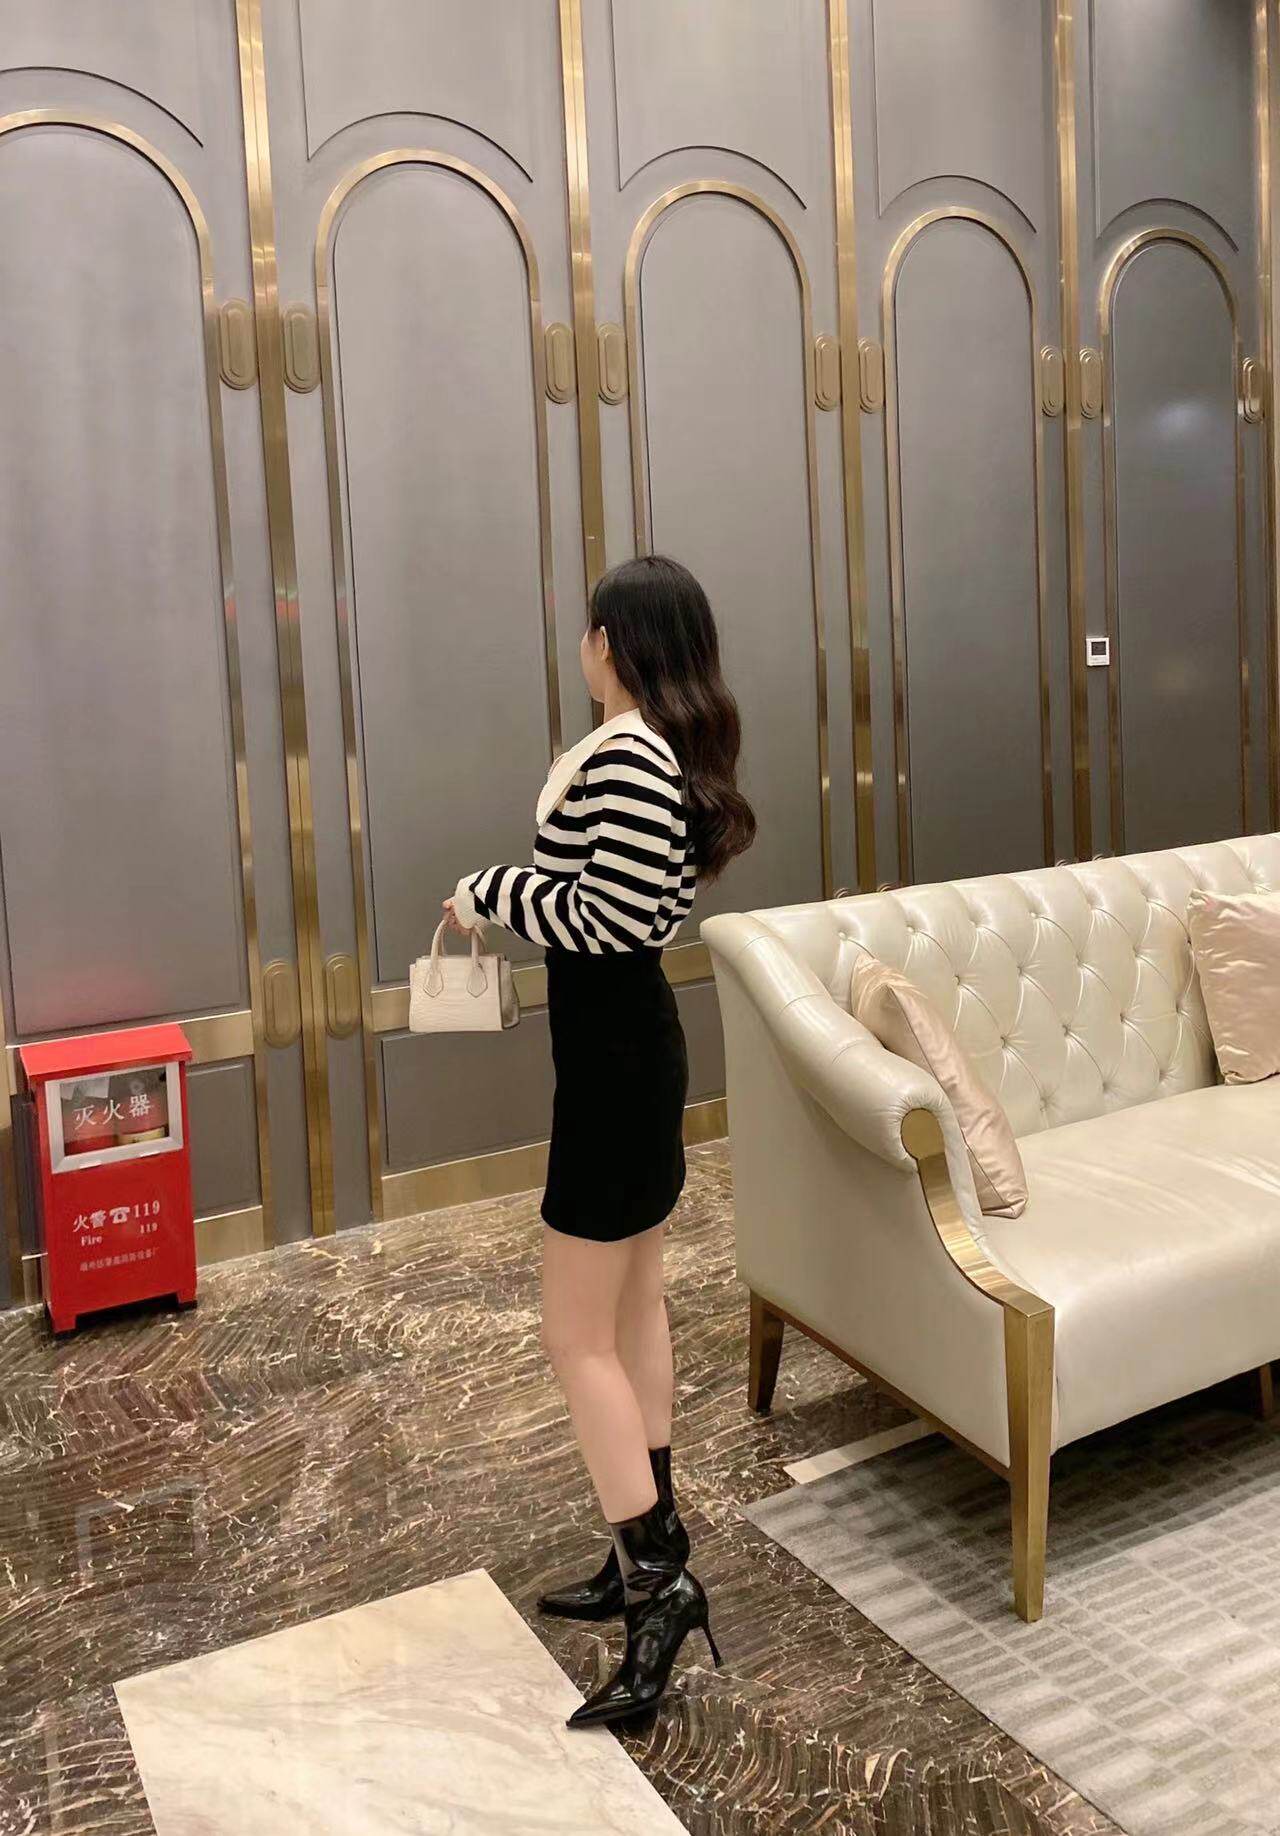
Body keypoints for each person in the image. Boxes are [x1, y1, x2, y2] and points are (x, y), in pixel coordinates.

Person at [444, 554, 755, 1728]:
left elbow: (606, 918)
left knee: (574, 1335)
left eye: (588, 629)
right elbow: (618, 906)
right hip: (627, 1054)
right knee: (632, 1311)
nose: (580, 644)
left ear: (612, 643)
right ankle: (637, 1559)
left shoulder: (626, 756)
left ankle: (659, 1584)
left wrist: (487, 891)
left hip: (616, 1063)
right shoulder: (654, 751)